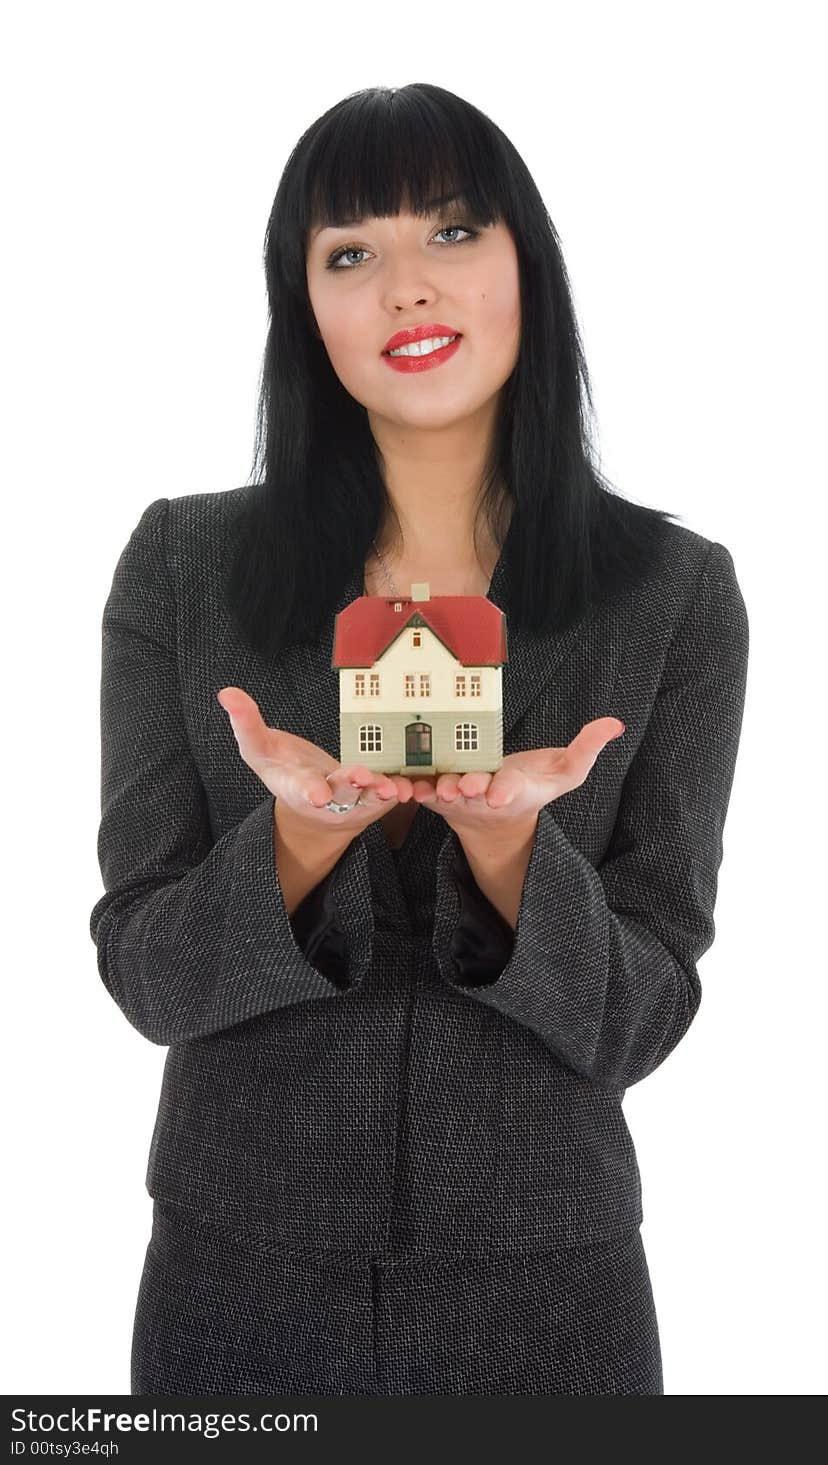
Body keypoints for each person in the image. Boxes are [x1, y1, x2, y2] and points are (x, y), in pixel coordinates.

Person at [89, 82, 749, 1397]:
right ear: (304, 305)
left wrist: (514, 856)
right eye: (351, 253)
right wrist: (288, 843)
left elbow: (649, 1008)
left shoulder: (675, 592)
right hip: (238, 1289)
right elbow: (145, 973)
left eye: (452, 232)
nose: (407, 288)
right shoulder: (184, 566)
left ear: (527, 266)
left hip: (546, 1297)